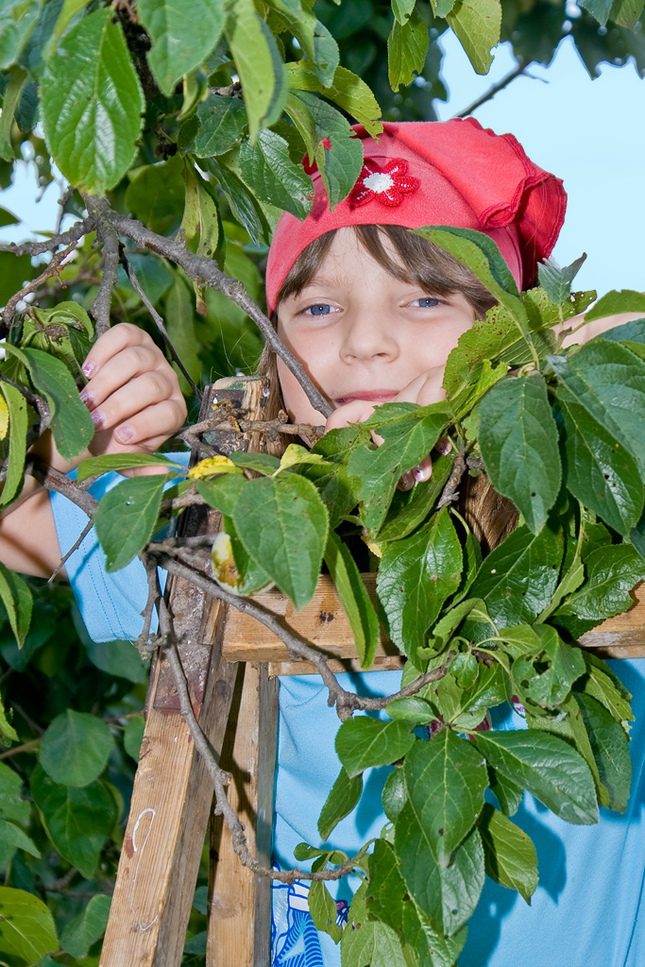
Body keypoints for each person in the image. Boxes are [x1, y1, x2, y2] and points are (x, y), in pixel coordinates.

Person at [2, 118, 644, 966]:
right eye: (317, 307)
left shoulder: (593, 529)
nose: (364, 340)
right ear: (273, 359)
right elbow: (20, 521)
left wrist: (537, 364)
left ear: (503, 333)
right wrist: (79, 433)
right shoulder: (227, 526)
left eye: (424, 298)